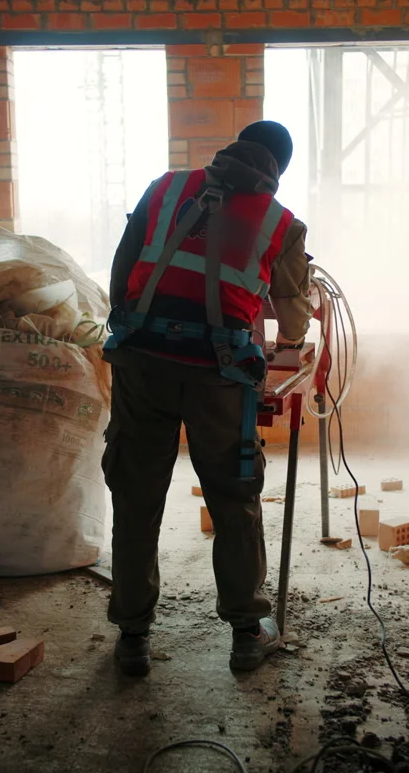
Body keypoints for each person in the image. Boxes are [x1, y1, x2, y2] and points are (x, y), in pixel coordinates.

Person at [101, 121, 313, 676]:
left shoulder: (166, 187)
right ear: (278, 170)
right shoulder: (282, 223)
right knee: (233, 498)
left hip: (141, 362)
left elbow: (123, 270)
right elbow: (293, 319)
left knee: (137, 494)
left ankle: (132, 637)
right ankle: (247, 632)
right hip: (219, 376)